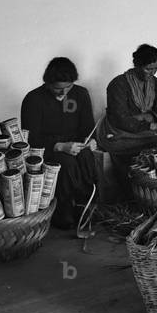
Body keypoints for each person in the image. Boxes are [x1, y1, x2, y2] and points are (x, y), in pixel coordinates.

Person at [20, 57, 98, 229]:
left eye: (68, 87)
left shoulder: (80, 94)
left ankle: (85, 205)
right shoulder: (33, 100)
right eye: (57, 88)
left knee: (86, 156)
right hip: (47, 148)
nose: (63, 93)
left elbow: (88, 127)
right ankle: (63, 209)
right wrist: (60, 146)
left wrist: (91, 140)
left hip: (75, 145)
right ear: (47, 83)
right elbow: (31, 139)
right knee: (66, 163)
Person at [98, 44, 157, 183]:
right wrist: (152, 125)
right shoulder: (118, 84)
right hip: (122, 132)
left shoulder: (155, 82)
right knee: (145, 147)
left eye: (155, 69)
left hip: (146, 128)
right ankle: (134, 191)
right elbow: (120, 120)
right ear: (137, 65)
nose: (152, 73)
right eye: (148, 69)